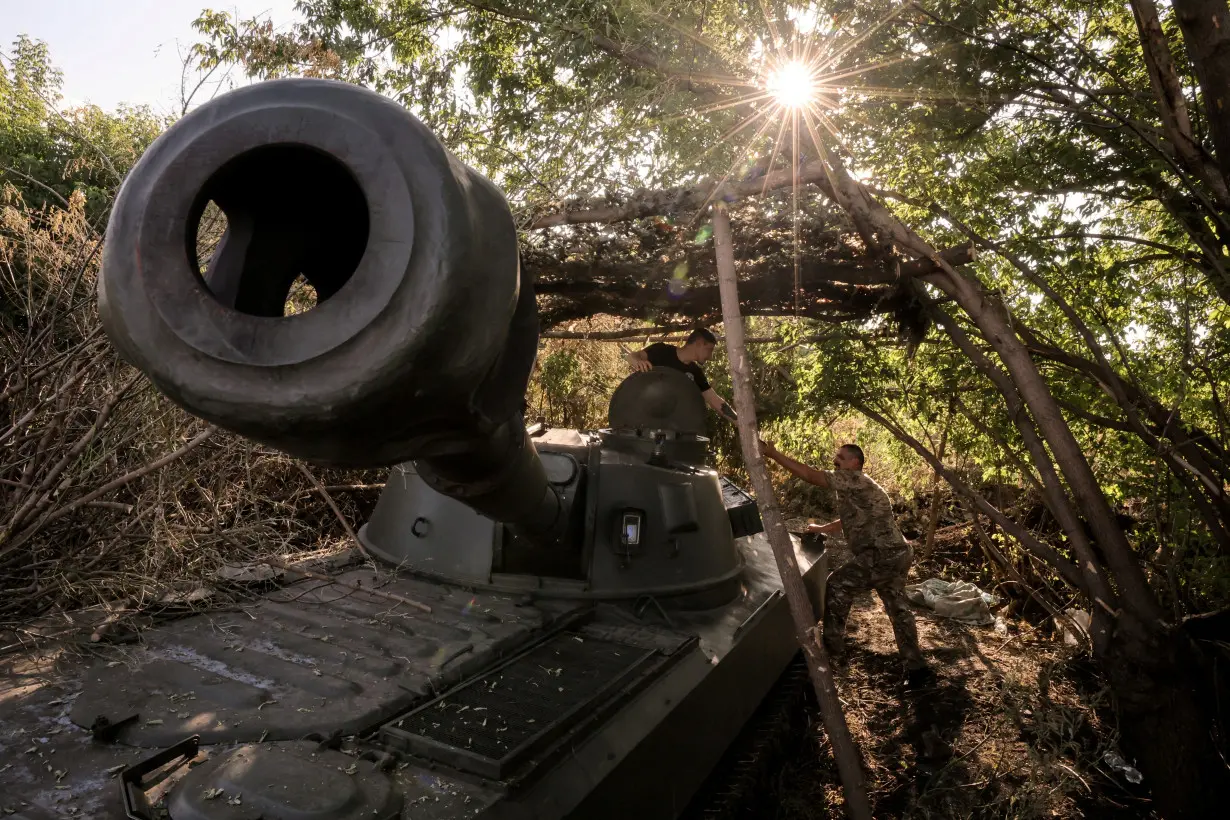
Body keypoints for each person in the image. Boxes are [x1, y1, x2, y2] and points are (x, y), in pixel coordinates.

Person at [759, 439, 930, 678]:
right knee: (897, 607)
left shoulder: (854, 478)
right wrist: (822, 528)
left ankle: (834, 656)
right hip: (897, 553)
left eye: (840, 457)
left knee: (838, 584)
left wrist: (773, 454)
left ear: (855, 463)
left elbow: (811, 475)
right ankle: (916, 666)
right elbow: (852, 519)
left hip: (882, 554)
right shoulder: (856, 488)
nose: (835, 460)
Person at [625, 328, 738, 422]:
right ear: (698, 343)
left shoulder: (695, 372)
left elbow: (715, 401)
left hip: (671, 425)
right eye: (709, 350)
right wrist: (638, 362)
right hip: (642, 418)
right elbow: (631, 356)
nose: (710, 357)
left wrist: (740, 422)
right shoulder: (661, 351)